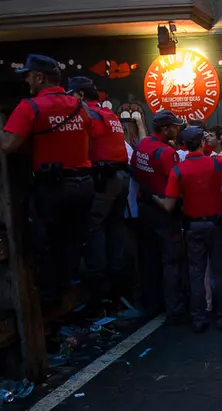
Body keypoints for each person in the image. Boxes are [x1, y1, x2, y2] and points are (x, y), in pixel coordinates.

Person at [0, 54, 94, 305]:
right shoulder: (80, 106)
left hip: (54, 188)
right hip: (84, 185)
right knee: (73, 242)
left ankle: (48, 301)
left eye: (28, 75)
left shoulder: (30, 107)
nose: (26, 81)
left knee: (44, 244)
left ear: (39, 77)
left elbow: (6, 143)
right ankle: (69, 293)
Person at [153, 127, 222, 332]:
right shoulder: (214, 163)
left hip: (193, 226)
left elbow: (168, 205)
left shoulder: (178, 170)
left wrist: (152, 197)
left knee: (196, 274)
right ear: (202, 143)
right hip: (216, 224)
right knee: (221, 271)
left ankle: (199, 318)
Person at [65, 77, 130, 294]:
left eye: (70, 95)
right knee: (115, 229)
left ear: (80, 95)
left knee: (95, 230)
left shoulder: (87, 115)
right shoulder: (108, 114)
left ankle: (100, 290)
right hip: (120, 177)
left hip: (103, 179)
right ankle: (118, 289)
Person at [130, 110, 186, 321]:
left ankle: (153, 305)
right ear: (165, 129)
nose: (178, 129)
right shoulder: (166, 153)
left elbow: (134, 169)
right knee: (171, 261)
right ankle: (175, 310)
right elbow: (177, 181)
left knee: (149, 258)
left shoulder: (142, 146)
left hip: (145, 206)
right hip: (165, 209)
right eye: (175, 126)